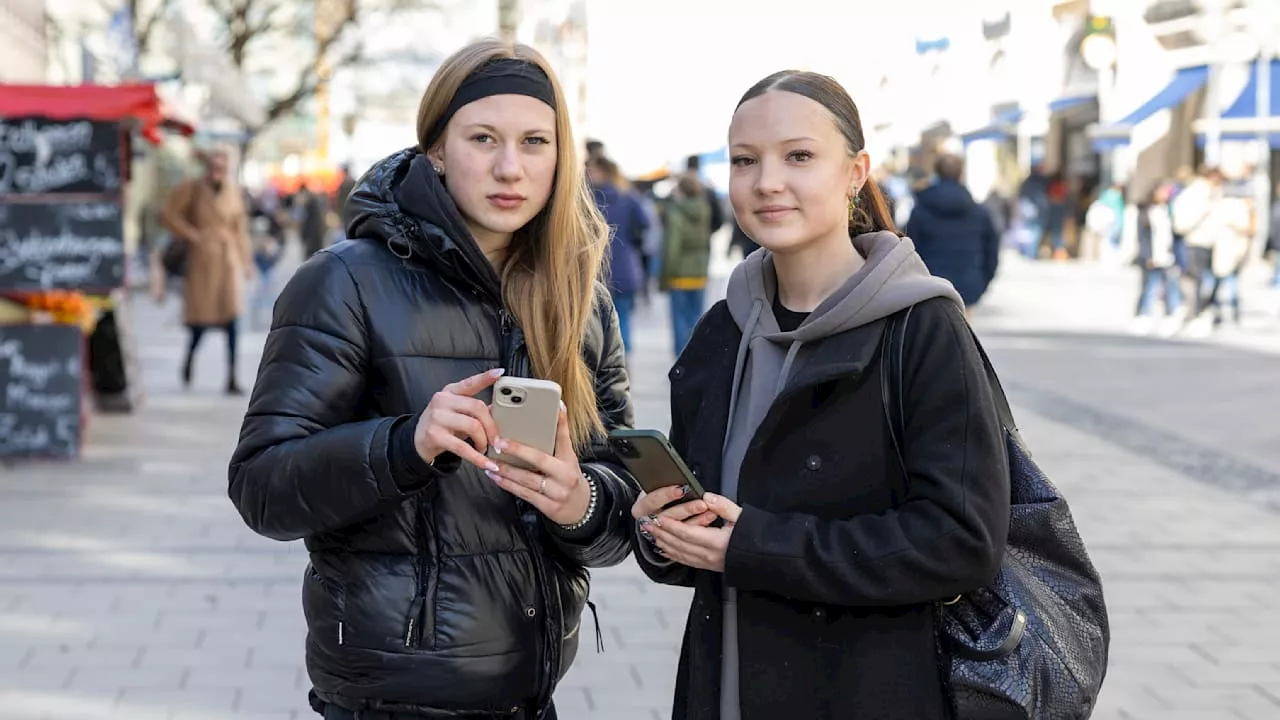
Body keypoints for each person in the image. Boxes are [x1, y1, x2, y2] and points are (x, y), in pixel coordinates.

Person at [228, 39, 639, 719]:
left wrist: (582, 502)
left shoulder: (579, 295)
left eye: (536, 142)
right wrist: (404, 446)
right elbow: (262, 487)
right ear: (438, 149)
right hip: (390, 698)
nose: (511, 168)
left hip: (531, 694)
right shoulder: (345, 281)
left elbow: (625, 505)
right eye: (484, 139)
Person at [629, 70, 1010, 720]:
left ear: (855, 172)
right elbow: (703, 544)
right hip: (720, 686)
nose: (767, 181)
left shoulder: (921, 328)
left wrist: (756, 547)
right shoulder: (722, 333)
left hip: (866, 689)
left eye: (798, 156)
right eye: (745, 161)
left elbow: (962, 541)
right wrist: (661, 532)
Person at [160, 148, 253, 395]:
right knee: (200, 324)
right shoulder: (192, 188)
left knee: (233, 319)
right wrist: (190, 233)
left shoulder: (233, 191)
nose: (217, 173)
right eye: (213, 168)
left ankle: (232, 377)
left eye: (221, 168)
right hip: (202, 262)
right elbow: (168, 214)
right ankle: (189, 360)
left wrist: (247, 263)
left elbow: (240, 229)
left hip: (228, 261)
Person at [905, 153, 1000, 309]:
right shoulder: (979, 212)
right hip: (968, 286)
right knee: (964, 331)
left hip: (930, 287)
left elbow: (910, 249)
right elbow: (992, 251)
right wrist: (983, 282)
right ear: (961, 174)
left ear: (936, 172)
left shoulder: (921, 209)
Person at [587, 156, 647, 353]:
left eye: (593, 170)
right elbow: (644, 222)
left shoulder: (590, 198)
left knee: (598, 325)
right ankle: (622, 365)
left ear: (603, 171)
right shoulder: (627, 196)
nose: (589, 174)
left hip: (596, 268)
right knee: (623, 321)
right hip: (626, 267)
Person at [661, 174, 713, 355]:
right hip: (699, 270)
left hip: (680, 273)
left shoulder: (676, 212)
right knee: (697, 317)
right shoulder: (704, 209)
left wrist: (666, 275)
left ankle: (682, 357)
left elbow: (673, 246)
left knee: (679, 319)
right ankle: (696, 354)